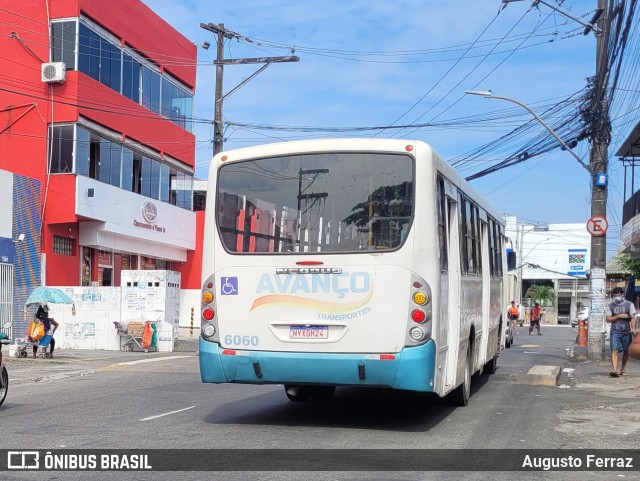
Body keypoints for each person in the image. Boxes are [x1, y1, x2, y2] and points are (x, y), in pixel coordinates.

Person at [605, 287, 636, 377]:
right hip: (615, 331)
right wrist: (618, 316)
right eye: (615, 295)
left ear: (623, 294)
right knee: (614, 350)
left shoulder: (629, 304)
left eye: (619, 294)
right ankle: (614, 370)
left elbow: (633, 318)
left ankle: (622, 369)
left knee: (626, 351)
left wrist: (633, 328)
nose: (617, 296)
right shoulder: (610, 306)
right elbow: (608, 319)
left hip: (627, 331)